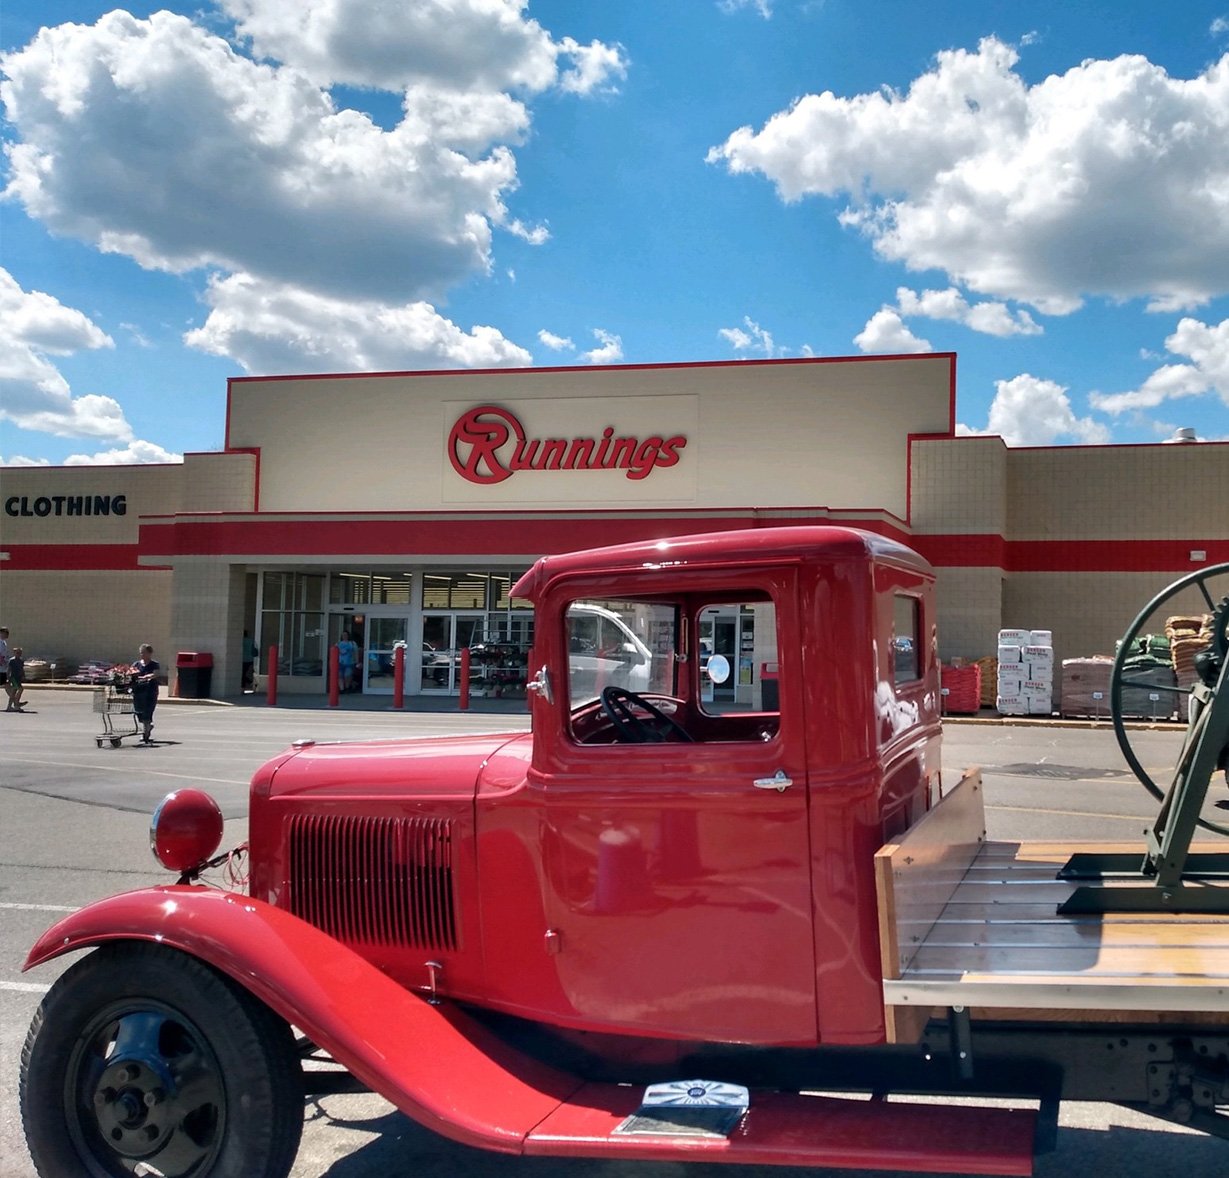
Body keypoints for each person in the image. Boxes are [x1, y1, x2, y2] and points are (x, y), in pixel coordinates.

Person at [131, 643, 160, 743]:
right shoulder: (136, 664)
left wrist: (147, 677)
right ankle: (147, 727)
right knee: (138, 711)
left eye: (144, 653)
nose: (142, 655)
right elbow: (131, 673)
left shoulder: (154, 664)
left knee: (148, 711)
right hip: (139, 691)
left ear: (150, 653)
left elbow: (155, 674)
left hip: (151, 691)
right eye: (141, 653)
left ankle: (145, 733)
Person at [5, 645, 25, 712]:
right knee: (19, 690)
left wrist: (23, 675)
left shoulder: (21, 660)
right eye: (17, 653)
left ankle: (14, 705)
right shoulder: (12, 660)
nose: (19, 654)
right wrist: (7, 678)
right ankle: (15, 704)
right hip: (13, 678)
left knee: (15, 691)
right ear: (14, 653)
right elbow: (9, 670)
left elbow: (22, 669)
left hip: (18, 678)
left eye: (20, 653)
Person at [0, 626, 9, 691]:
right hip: (1, 666)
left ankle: (14, 699)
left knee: (5, 684)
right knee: (5, 684)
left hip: (3, 667)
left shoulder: (3, 642)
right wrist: (2, 661)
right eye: (6, 633)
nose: (7, 635)